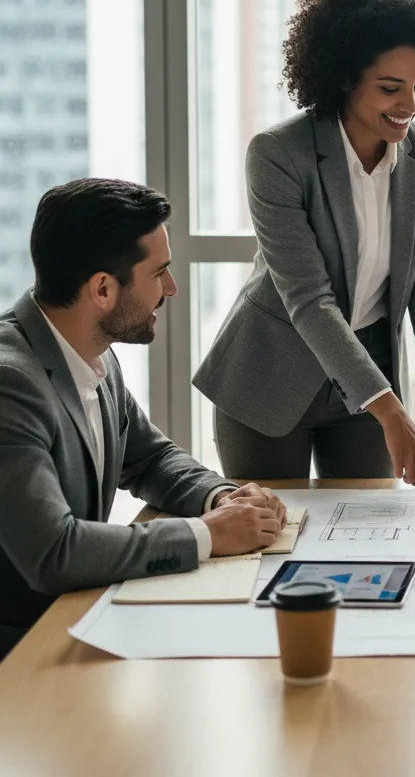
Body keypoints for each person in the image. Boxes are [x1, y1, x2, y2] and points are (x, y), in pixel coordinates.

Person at [194, 0, 415, 490]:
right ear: (342, 78)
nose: (410, 104)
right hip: (270, 377)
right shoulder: (278, 154)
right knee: (275, 536)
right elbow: (309, 299)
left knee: (370, 537)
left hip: (369, 371)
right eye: (389, 87)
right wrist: (398, 418)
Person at [0, 179, 287, 660]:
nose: (171, 289)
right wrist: (210, 534)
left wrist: (223, 497)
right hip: (24, 645)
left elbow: (151, 459)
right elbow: (55, 553)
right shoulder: (12, 383)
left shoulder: (89, 353)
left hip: (74, 614)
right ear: (103, 289)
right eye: (159, 273)